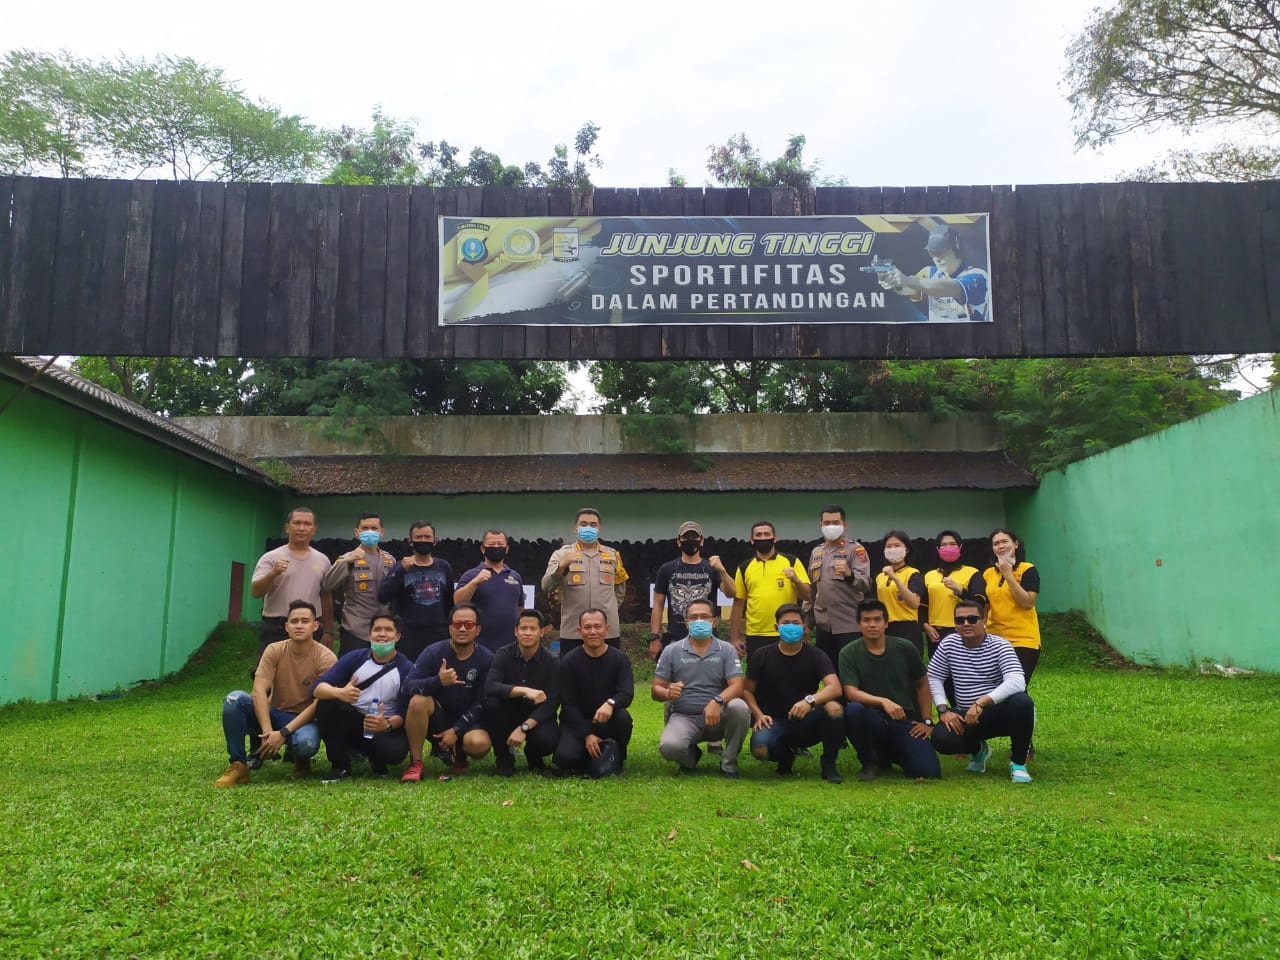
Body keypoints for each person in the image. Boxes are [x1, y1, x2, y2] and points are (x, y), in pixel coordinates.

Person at [215, 599, 336, 786]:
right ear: (286, 626)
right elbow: (259, 690)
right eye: (294, 621)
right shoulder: (274, 650)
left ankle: (301, 759)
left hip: (305, 719)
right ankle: (238, 765)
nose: (299, 625)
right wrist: (267, 732)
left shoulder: (326, 657)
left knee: (306, 745)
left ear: (315, 626)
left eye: (305, 621)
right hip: (274, 713)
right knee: (234, 700)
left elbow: (318, 703)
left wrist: (283, 733)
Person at [927, 598, 1035, 783]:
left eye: (972, 619)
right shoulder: (949, 644)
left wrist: (981, 702)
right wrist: (943, 709)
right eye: (960, 620)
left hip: (998, 712)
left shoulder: (1000, 645)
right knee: (941, 739)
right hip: (966, 714)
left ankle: (1018, 764)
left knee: (1023, 703)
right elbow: (934, 676)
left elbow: (1017, 681)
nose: (966, 624)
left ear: (983, 620)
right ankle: (978, 751)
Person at [742, 604, 845, 783]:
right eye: (786, 623)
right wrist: (758, 715)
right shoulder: (762, 655)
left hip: (807, 719)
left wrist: (809, 701)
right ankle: (785, 758)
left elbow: (835, 687)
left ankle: (829, 765)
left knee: (834, 708)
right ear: (776, 627)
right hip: (774, 721)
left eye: (796, 623)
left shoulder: (816, 655)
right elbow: (747, 690)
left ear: (804, 628)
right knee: (760, 750)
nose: (791, 626)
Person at [840, 600, 941, 781]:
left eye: (877, 620)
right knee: (854, 710)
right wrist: (882, 701)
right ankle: (869, 761)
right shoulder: (849, 652)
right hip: (870, 716)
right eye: (866, 620)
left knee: (928, 771)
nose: (872, 625)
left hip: (903, 719)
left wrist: (927, 720)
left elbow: (922, 683)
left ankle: (891, 755)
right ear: (859, 625)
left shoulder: (905, 647)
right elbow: (851, 692)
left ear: (886, 623)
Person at [651, 598, 749, 778]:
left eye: (704, 617)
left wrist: (717, 701)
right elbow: (656, 689)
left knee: (739, 707)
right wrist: (666, 692)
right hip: (685, 716)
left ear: (714, 622)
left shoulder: (726, 650)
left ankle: (729, 763)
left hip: (719, 716)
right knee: (669, 748)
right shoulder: (672, 650)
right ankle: (690, 757)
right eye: (694, 617)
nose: (699, 621)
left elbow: (738, 686)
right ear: (686, 623)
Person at [311, 612, 413, 782]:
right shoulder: (355, 658)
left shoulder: (406, 668)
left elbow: (405, 712)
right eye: (377, 629)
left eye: (388, 630)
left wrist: (385, 724)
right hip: (355, 721)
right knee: (326, 704)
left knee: (394, 754)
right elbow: (317, 688)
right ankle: (340, 766)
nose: (382, 634)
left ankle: (376, 758)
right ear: (369, 634)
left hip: (385, 725)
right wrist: (340, 693)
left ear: (397, 636)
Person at [399, 602, 494, 782]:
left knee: (479, 745)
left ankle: (459, 752)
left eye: (469, 625)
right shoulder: (433, 652)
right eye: (458, 624)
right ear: (450, 628)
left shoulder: (487, 658)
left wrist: (456, 730)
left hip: (468, 721)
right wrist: (438, 681)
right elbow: (408, 685)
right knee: (418, 701)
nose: (463, 629)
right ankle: (415, 763)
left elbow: (484, 700)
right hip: (438, 718)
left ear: (478, 630)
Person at [554, 609, 634, 777]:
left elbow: (626, 693)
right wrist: (587, 735)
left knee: (623, 718)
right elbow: (568, 704)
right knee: (565, 759)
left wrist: (610, 703)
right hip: (577, 721)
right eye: (587, 627)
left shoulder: (619, 659)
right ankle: (593, 754)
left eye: (597, 626)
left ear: (607, 629)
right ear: (579, 631)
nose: (593, 632)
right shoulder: (569, 661)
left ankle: (617, 755)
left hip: (607, 720)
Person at [542, 507, 629, 656]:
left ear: (599, 528)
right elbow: (546, 585)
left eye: (593, 524)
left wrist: (608, 609)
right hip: (573, 630)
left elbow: (620, 590)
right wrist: (562, 566)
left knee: (608, 675)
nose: (588, 528)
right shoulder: (561, 554)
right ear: (575, 528)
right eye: (583, 524)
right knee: (572, 676)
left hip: (606, 631)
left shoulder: (613, 555)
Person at [484, 608, 560, 776]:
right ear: (515, 631)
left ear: (541, 632)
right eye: (523, 628)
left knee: (548, 740)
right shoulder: (504, 653)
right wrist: (524, 691)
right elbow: (490, 686)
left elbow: (553, 702)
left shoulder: (552, 661)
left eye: (532, 629)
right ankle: (504, 758)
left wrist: (524, 727)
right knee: (492, 704)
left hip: (536, 716)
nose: (527, 633)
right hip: (508, 712)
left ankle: (534, 757)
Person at [250, 507, 334, 655]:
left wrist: (328, 631)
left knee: (308, 675)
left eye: (307, 524)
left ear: (314, 529)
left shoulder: (323, 561)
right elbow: (256, 592)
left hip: (310, 626)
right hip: (277, 626)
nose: (302, 528)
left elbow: (325, 596)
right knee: (269, 673)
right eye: (297, 523)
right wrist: (273, 573)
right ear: (287, 527)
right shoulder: (271, 558)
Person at [648, 521, 735, 661]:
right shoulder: (667, 569)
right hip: (676, 637)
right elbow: (658, 605)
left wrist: (723, 571)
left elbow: (731, 593)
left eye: (694, 537)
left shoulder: (711, 568)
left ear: (701, 541)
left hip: (707, 637)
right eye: (686, 537)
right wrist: (654, 637)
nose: (690, 540)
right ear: (678, 541)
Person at [730, 521, 812, 660]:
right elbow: (738, 604)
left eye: (767, 534)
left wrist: (796, 580)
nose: (763, 538)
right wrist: (734, 638)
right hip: (756, 633)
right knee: (758, 678)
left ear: (775, 538)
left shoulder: (791, 561)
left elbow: (808, 595)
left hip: (786, 630)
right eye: (758, 535)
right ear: (752, 540)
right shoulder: (744, 567)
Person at [876, 225, 990, 323]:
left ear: (957, 249)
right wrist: (894, 281)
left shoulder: (978, 276)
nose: (936, 258)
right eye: (932, 252)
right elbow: (908, 290)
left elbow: (951, 288)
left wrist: (907, 280)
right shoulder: (929, 272)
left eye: (941, 252)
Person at [321, 512, 397, 656]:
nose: (370, 531)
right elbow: (327, 584)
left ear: (382, 532)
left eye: (374, 528)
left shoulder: (390, 560)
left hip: (382, 629)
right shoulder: (346, 558)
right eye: (365, 528)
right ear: (357, 532)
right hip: (355, 629)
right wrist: (348, 562)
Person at [379, 520, 454, 663]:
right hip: (408, 636)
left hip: (439, 635)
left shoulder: (444, 567)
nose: (423, 540)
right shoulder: (400, 567)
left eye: (427, 537)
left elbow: (450, 602)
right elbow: (383, 596)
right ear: (410, 541)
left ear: (435, 540)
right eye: (419, 537)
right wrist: (401, 571)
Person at [807, 504, 872, 663]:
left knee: (849, 672)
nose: (831, 526)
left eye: (835, 522)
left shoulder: (855, 550)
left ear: (845, 524)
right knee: (828, 673)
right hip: (823, 625)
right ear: (820, 525)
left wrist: (849, 575)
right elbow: (812, 590)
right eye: (827, 523)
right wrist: (807, 621)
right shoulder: (817, 552)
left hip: (849, 624)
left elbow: (865, 585)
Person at [982, 528, 1043, 685]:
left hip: (1022, 640)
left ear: (1015, 544)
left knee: (1016, 687)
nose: (1000, 546)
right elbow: (986, 604)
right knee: (994, 689)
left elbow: (1028, 603)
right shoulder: (988, 573)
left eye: (1004, 541)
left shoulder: (1027, 569)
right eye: (996, 543)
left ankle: (1028, 710)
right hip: (993, 640)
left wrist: (1008, 574)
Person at [455, 529, 525, 653]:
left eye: (500, 545)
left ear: (507, 548)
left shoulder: (515, 576)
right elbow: (458, 602)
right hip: (479, 646)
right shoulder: (471, 575)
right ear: (483, 549)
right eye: (492, 545)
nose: (496, 548)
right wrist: (476, 582)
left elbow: (520, 608)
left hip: (510, 646)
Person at [922, 530, 985, 658]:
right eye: (944, 545)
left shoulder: (972, 573)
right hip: (936, 633)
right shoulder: (929, 575)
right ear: (938, 549)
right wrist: (926, 627)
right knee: (938, 674)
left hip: (962, 630)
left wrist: (961, 591)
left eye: (952, 544)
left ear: (960, 547)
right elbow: (922, 605)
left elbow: (980, 603)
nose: (948, 547)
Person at [874, 530, 924, 656]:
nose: (893, 549)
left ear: (906, 550)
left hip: (907, 628)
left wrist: (895, 578)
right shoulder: (880, 576)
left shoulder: (913, 573)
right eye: (889, 546)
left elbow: (914, 603)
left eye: (897, 546)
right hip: (885, 628)